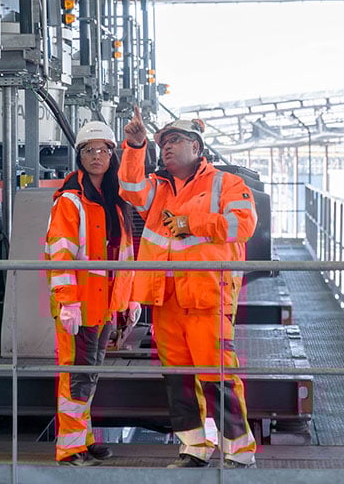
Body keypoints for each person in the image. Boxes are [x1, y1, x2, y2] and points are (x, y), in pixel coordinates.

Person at [118, 107, 258, 469]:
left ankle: (239, 452)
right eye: (163, 142)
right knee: (178, 380)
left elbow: (242, 225)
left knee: (217, 376)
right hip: (165, 300)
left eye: (175, 141)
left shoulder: (226, 184)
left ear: (197, 148)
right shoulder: (159, 188)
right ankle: (194, 449)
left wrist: (189, 222)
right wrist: (136, 146)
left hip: (206, 297)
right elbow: (131, 189)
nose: (166, 147)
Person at [44, 120, 139, 466]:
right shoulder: (71, 202)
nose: (96, 155)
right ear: (79, 156)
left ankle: (83, 439)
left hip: (105, 306)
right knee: (74, 379)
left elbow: (125, 257)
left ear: (112, 154)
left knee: (89, 376)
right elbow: (60, 255)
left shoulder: (115, 201)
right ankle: (69, 449)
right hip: (79, 307)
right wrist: (67, 302)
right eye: (89, 150)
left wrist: (130, 300)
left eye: (102, 149)